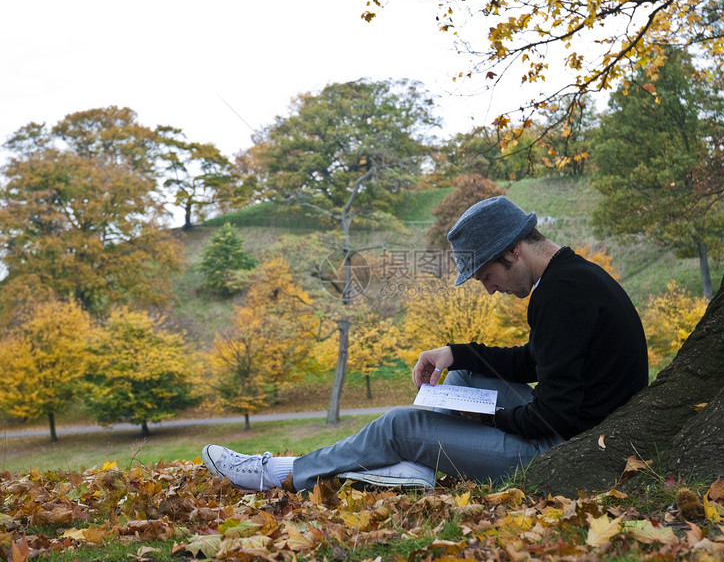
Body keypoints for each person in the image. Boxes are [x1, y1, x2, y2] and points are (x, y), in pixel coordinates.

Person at [202, 196, 648, 492]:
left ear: (513, 251)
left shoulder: (558, 296)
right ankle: (414, 470)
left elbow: (556, 414)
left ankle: (278, 473)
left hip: (567, 451)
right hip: (586, 430)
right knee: (465, 374)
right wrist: (457, 352)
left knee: (400, 426)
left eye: (486, 276)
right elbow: (536, 362)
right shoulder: (575, 277)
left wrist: (483, 418)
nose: (489, 289)